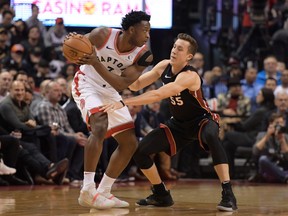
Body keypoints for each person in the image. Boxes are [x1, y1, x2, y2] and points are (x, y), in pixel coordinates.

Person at [101, 33, 237, 212]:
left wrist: (125, 102)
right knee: (140, 151)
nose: (174, 50)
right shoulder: (164, 65)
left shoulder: (189, 75)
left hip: (201, 120)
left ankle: (228, 193)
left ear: (189, 56)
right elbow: (135, 85)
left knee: (212, 135)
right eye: (174, 46)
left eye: (180, 49)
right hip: (178, 125)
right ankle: (161, 193)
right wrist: (120, 68)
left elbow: (158, 94)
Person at [70, 10, 153, 209]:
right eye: (145, 30)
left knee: (129, 142)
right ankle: (87, 189)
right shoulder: (102, 35)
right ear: (131, 30)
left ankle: (104, 190)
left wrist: (96, 63)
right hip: (86, 84)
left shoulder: (144, 56)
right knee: (99, 125)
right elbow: (76, 47)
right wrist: (72, 44)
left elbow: (121, 84)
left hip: (110, 91)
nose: (148, 35)